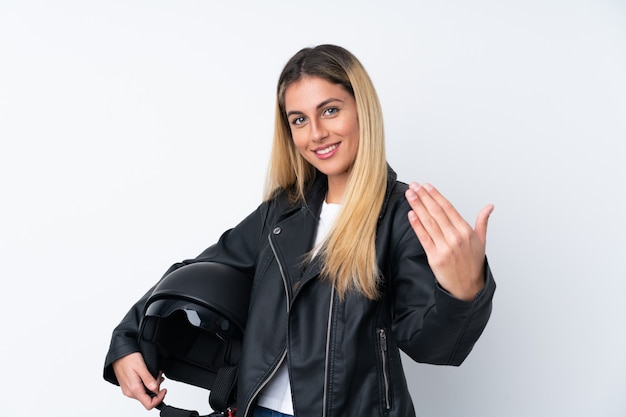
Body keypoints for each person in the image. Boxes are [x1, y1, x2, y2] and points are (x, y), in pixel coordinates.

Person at [104, 44, 496, 417]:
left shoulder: (400, 215)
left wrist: (462, 291)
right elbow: (198, 271)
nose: (316, 134)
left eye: (329, 110)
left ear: (363, 111)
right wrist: (127, 341)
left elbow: (434, 347)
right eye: (299, 120)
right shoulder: (281, 213)